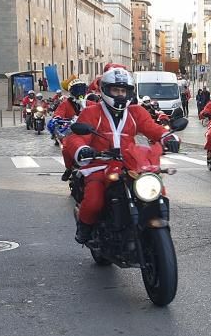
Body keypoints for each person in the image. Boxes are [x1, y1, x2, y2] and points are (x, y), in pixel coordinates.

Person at [64, 67, 167, 243]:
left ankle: (155, 225)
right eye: (115, 90)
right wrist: (82, 149)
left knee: (156, 190)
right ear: (105, 90)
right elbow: (77, 138)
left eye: (123, 90)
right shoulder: (92, 112)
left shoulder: (136, 112)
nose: (120, 94)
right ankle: (85, 228)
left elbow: (152, 128)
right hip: (100, 163)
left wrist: (167, 136)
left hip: (131, 164)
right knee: (94, 199)